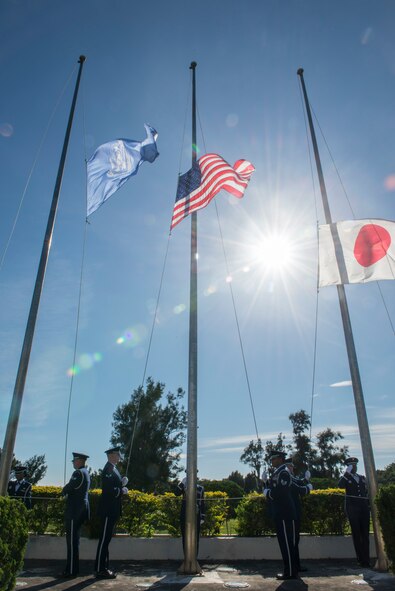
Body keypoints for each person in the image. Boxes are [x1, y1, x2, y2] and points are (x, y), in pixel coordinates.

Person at [263, 451, 312, 580]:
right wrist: (266, 485)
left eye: (273, 459)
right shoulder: (279, 472)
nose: (271, 461)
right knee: (285, 544)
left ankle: (290, 572)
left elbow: (281, 492)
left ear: (280, 459)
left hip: (284, 513)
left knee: (287, 544)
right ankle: (291, 570)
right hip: (281, 513)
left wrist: (268, 493)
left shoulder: (283, 472)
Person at [94, 447, 128, 579]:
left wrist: (120, 483)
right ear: (111, 455)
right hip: (108, 510)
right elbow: (109, 491)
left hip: (111, 510)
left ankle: (104, 567)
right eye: (117, 455)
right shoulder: (109, 469)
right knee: (104, 540)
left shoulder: (113, 469)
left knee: (106, 540)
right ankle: (100, 569)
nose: (119, 457)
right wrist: (122, 490)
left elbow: (114, 485)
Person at [60, 452, 90, 578]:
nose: (73, 463)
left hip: (74, 511)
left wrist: (63, 491)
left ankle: (71, 570)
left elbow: (70, 487)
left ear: (79, 461)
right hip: (81, 510)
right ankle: (74, 569)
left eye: (74, 461)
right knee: (75, 541)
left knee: (72, 542)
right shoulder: (86, 473)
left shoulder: (78, 473)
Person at [338, 456, 370, 567]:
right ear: (348, 467)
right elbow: (340, 485)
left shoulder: (361, 477)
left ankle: (366, 559)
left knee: (365, 534)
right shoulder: (347, 478)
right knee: (357, 534)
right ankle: (360, 559)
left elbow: (366, 491)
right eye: (352, 466)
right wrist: (346, 474)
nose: (354, 467)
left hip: (364, 509)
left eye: (355, 465)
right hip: (353, 510)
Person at [284, 457, 311, 573]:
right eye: (290, 466)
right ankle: (294, 566)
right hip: (291, 513)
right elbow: (298, 488)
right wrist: (307, 488)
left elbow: (299, 482)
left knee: (295, 540)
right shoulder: (287, 478)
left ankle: (296, 565)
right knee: (293, 541)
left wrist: (306, 479)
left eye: (291, 466)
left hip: (296, 512)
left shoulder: (291, 477)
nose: (291, 468)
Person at [177, 473, 205, 556]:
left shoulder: (200, 488)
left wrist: (202, 517)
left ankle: (194, 558)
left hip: (196, 516)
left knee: (195, 538)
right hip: (184, 515)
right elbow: (176, 493)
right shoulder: (184, 486)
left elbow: (202, 503)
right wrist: (182, 483)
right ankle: (186, 558)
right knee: (185, 538)